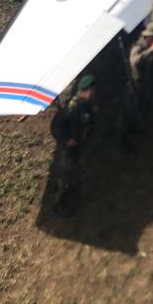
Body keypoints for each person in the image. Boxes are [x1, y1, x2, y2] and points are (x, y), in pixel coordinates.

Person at [52, 74, 97, 212]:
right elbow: (55, 127)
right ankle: (59, 204)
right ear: (86, 91)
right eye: (92, 91)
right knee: (65, 174)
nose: (93, 93)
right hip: (68, 148)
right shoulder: (71, 108)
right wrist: (67, 140)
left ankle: (72, 189)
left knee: (74, 170)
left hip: (77, 143)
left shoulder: (84, 104)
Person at [121, 23, 153, 146]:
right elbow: (135, 62)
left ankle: (137, 126)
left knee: (143, 106)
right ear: (149, 37)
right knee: (130, 111)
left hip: (147, 82)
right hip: (135, 84)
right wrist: (150, 51)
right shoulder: (138, 47)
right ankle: (124, 137)